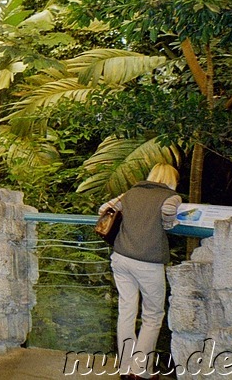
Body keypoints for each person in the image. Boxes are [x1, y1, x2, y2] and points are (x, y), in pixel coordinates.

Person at [98, 163, 182, 380]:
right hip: (148, 263)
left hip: (121, 257)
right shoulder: (171, 196)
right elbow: (168, 212)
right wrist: (168, 223)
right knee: (153, 315)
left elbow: (103, 209)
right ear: (171, 180)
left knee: (126, 311)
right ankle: (140, 370)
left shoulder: (131, 192)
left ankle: (126, 368)